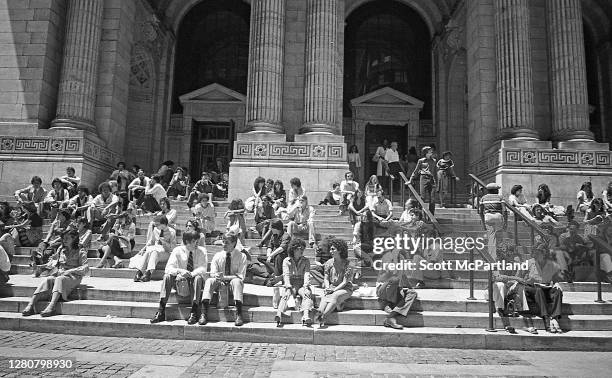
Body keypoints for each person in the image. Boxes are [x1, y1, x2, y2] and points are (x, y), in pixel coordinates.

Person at [21, 229, 89, 317]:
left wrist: (70, 271)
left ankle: (52, 306)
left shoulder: (81, 251)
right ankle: (30, 305)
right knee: (48, 279)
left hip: (74, 276)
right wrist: (38, 266)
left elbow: (86, 268)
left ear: (74, 238)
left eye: (67, 238)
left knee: (59, 279)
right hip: (61, 274)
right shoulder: (61, 250)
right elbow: (52, 264)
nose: (64, 240)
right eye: (63, 238)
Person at [150, 230, 209, 324]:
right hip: (179, 280)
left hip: (194, 281)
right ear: (187, 242)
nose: (197, 243)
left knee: (198, 277)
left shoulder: (202, 251)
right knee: (167, 276)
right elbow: (168, 268)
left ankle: (194, 311)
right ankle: (161, 310)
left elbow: (203, 268)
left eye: (198, 241)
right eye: (195, 241)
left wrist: (191, 274)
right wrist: (180, 271)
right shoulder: (177, 250)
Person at [201, 232, 248, 326]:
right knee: (209, 281)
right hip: (219, 282)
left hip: (233, 284)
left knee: (237, 281)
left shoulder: (242, 256)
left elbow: (241, 276)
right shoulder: (218, 255)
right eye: (223, 242)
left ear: (234, 243)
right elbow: (213, 272)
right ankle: (203, 313)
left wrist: (225, 278)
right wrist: (217, 276)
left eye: (227, 242)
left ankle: (239, 314)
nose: (224, 245)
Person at [274, 237, 313, 327]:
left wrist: (306, 285)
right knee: (286, 294)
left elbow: (307, 273)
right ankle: (279, 314)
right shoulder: (286, 261)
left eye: (303, 248)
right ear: (294, 249)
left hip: (302, 283)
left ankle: (306, 316)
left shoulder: (306, 260)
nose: (302, 250)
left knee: (306, 294)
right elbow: (286, 274)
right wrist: (288, 285)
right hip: (291, 283)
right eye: (300, 248)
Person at [376, 247, 418, 329]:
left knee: (413, 293)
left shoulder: (401, 258)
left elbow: (403, 275)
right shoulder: (387, 257)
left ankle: (391, 316)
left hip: (395, 290)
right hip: (383, 289)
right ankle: (384, 303)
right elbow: (392, 273)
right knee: (395, 279)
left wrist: (410, 288)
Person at [316, 238, 353, 328]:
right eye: (330, 249)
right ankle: (319, 312)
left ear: (340, 250)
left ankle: (323, 316)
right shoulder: (329, 262)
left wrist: (333, 290)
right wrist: (328, 287)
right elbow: (326, 278)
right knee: (325, 296)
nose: (330, 251)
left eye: (333, 249)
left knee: (335, 295)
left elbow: (344, 282)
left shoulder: (348, 264)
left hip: (345, 288)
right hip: (332, 286)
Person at [130, 215, 177, 282]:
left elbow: (173, 248)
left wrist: (164, 243)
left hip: (166, 252)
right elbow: (151, 242)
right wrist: (143, 249)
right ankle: (142, 273)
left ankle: (145, 272)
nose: (156, 226)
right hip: (155, 251)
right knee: (151, 252)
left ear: (163, 224)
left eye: (157, 224)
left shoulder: (172, 232)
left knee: (153, 251)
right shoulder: (155, 230)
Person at [32, 209, 71, 276]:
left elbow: (65, 235)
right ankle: (39, 255)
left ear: (64, 216)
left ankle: (44, 270)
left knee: (48, 252)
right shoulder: (55, 223)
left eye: (60, 214)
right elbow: (50, 233)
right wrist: (46, 241)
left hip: (61, 241)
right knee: (41, 245)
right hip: (52, 241)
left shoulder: (69, 224)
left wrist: (54, 241)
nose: (58, 216)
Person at [479, 183, 507, 261]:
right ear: (495, 190)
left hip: (488, 217)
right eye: (497, 189)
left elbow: (480, 211)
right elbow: (504, 210)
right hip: (498, 216)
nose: (498, 191)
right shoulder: (500, 197)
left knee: (491, 237)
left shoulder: (483, 198)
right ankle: (499, 257)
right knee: (499, 237)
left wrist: (483, 222)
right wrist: (505, 222)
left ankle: (491, 257)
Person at [410, 146, 437, 215]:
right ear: (426, 152)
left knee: (432, 199)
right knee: (422, 197)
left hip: (431, 179)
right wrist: (411, 180)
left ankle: (431, 216)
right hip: (423, 178)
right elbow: (416, 171)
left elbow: (435, 172)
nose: (431, 152)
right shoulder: (421, 161)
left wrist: (436, 182)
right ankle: (419, 214)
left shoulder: (434, 161)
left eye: (431, 151)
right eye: (430, 151)